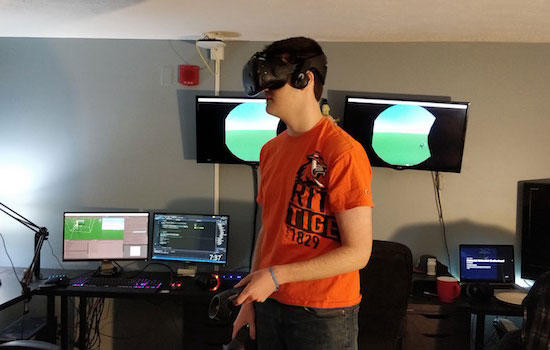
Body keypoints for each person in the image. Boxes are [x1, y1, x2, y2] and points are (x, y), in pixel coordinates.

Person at [233, 36, 374, 350]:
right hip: (270, 302)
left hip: (324, 314)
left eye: (274, 81)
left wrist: (275, 275)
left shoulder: (342, 151)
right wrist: (250, 299)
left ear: (305, 79)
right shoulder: (270, 150)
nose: (265, 90)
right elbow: (268, 230)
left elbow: (359, 253)